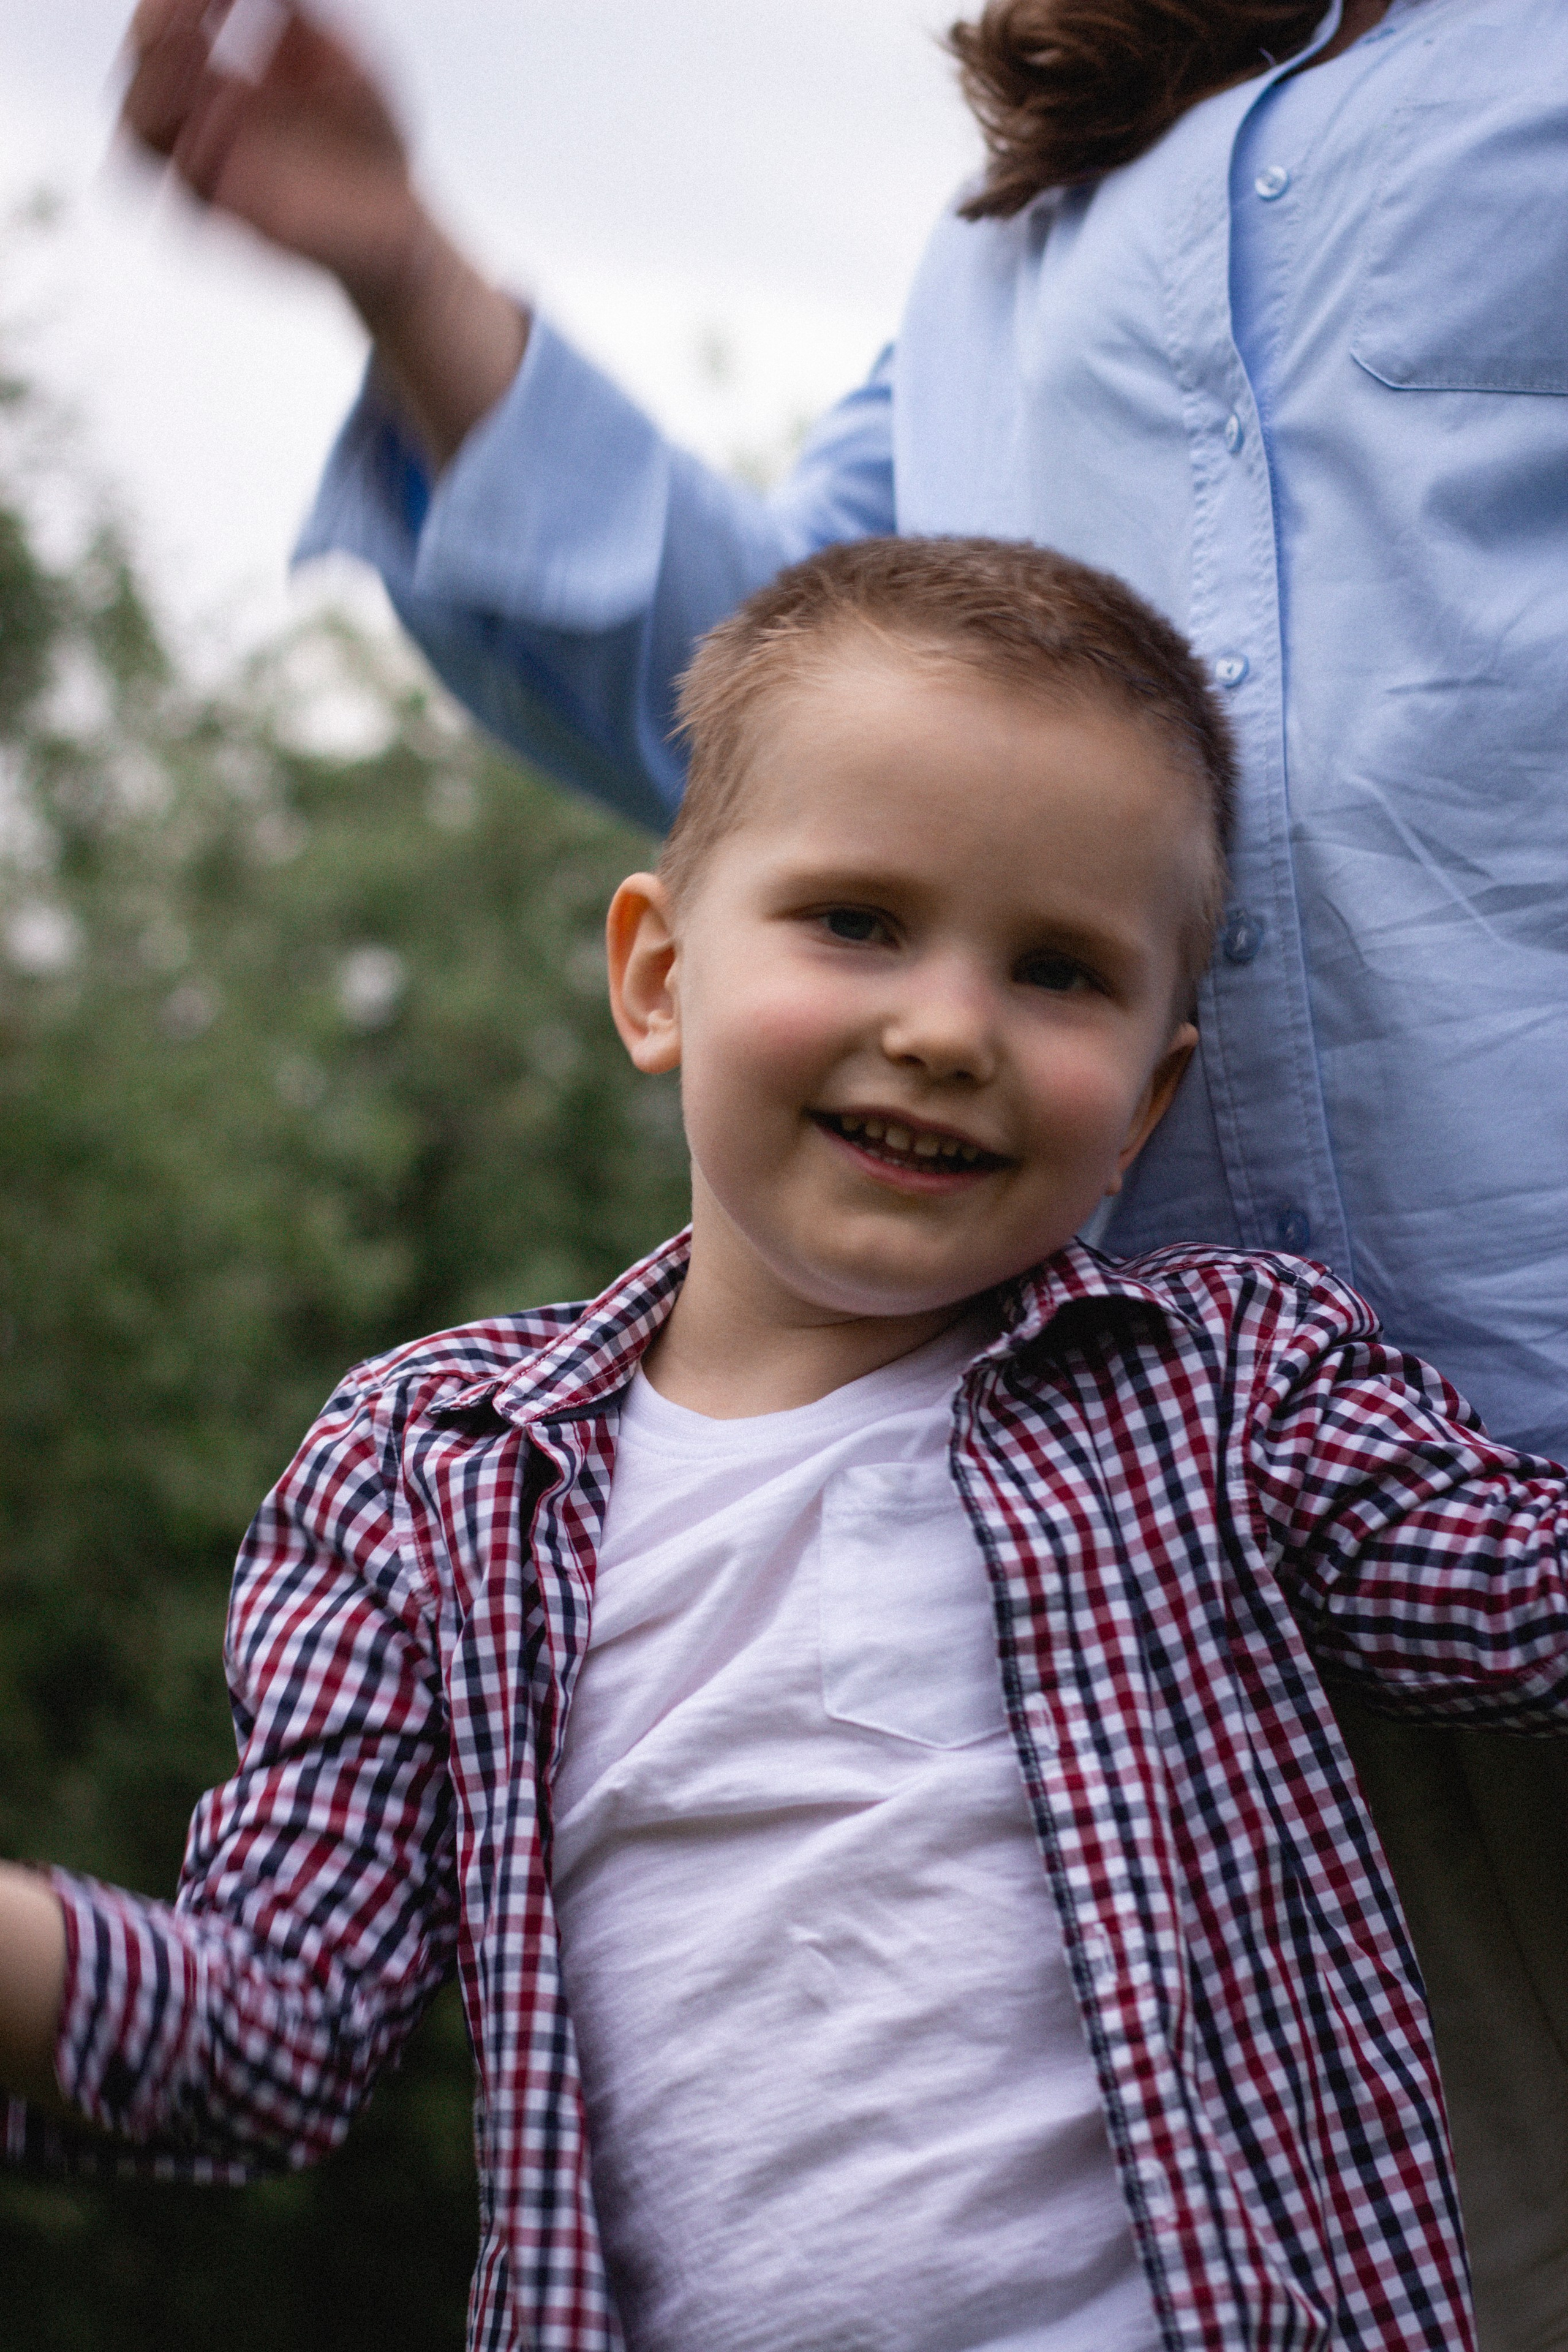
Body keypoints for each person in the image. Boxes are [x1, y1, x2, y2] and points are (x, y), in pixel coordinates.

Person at [3, 533, 1567, 2352]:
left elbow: (1523, 1604)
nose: (947, 1029)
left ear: (1148, 1101)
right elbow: (271, 2030)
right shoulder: (428, 1477)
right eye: (857, 922)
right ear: (658, 976)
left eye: (1059, 969)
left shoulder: (1222, 1383)